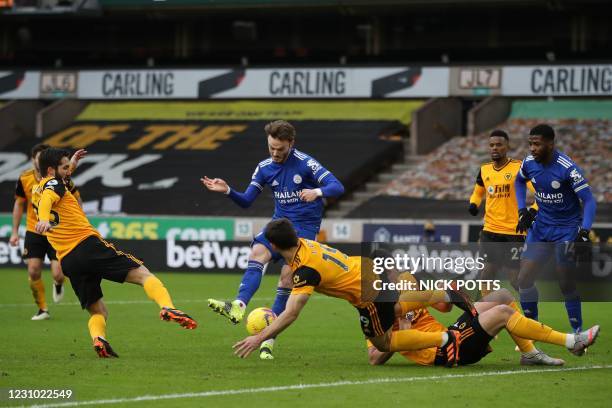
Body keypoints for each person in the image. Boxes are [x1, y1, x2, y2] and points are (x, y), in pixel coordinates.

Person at [233, 218, 501, 366]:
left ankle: (444, 339)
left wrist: (260, 338)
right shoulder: (305, 244)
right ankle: (444, 293)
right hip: (370, 270)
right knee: (396, 308)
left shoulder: (305, 271)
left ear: (272, 245)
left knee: (382, 344)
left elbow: (291, 314)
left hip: (367, 296)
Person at [32, 148, 197, 358]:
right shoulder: (52, 186)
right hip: (87, 245)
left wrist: (71, 164)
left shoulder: (38, 189)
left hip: (69, 261)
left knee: (98, 311)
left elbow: (50, 189)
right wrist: (44, 219)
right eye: (64, 168)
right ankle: (168, 307)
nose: (68, 171)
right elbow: (49, 196)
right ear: (50, 170)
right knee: (143, 274)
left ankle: (99, 339)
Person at [202, 120, 345, 359]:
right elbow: (247, 201)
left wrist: (317, 192)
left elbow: (337, 186)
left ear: (291, 143)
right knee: (258, 252)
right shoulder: (264, 167)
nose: (275, 153)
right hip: (280, 225)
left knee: (287, 278)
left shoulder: (306, 163)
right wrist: (228, 191)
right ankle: (238, 306)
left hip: (305, 229)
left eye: (280, 148)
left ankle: (268, 339)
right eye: (271, 148)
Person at [366, 289, 585, 367]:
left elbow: (443, 306)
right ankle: (571, 341)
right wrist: (402, 330)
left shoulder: (406, 295)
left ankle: (529, 354)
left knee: (503, 296)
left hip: (453, 333)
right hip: (444, 352)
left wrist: (450, 293)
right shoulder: (377, 315)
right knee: (503, 314)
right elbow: (375, 357)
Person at [515, 124, 597, 332]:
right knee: (523, 279)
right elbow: (519, 181)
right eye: (530, 144)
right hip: (541, 227)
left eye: (537, 144)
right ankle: (532, 329)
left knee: (564, 282)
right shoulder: (529, 163)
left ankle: (577, 331)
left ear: (550, 144)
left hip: (567, 229)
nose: (532, 148)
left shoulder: (567, 168)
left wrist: (584, 231)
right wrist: (522, 210)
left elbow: (589, 201)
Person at [9, 143, 83, 320]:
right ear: (34, 160)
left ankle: (58, 284)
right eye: (39, 157)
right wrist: (14, 232)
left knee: (58, 274)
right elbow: (19, 203)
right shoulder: (25, 178)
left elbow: (76, 197)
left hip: (56, 231)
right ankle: (42, 309)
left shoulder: (59, 179)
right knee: (33, 270)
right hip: (34, 230)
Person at [468, 130, 537, 296]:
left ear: (507, 147)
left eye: (498, 145)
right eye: (491, 145)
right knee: (486, 274)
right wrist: (473, 204)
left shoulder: (519, 167)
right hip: (490, 230)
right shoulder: (484, 170)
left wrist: (532, 212)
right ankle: (486, 314)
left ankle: (530, 307)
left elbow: (540, 194)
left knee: (514, 278)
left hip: (513, 231)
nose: (494, 148)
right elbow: (478, 192)